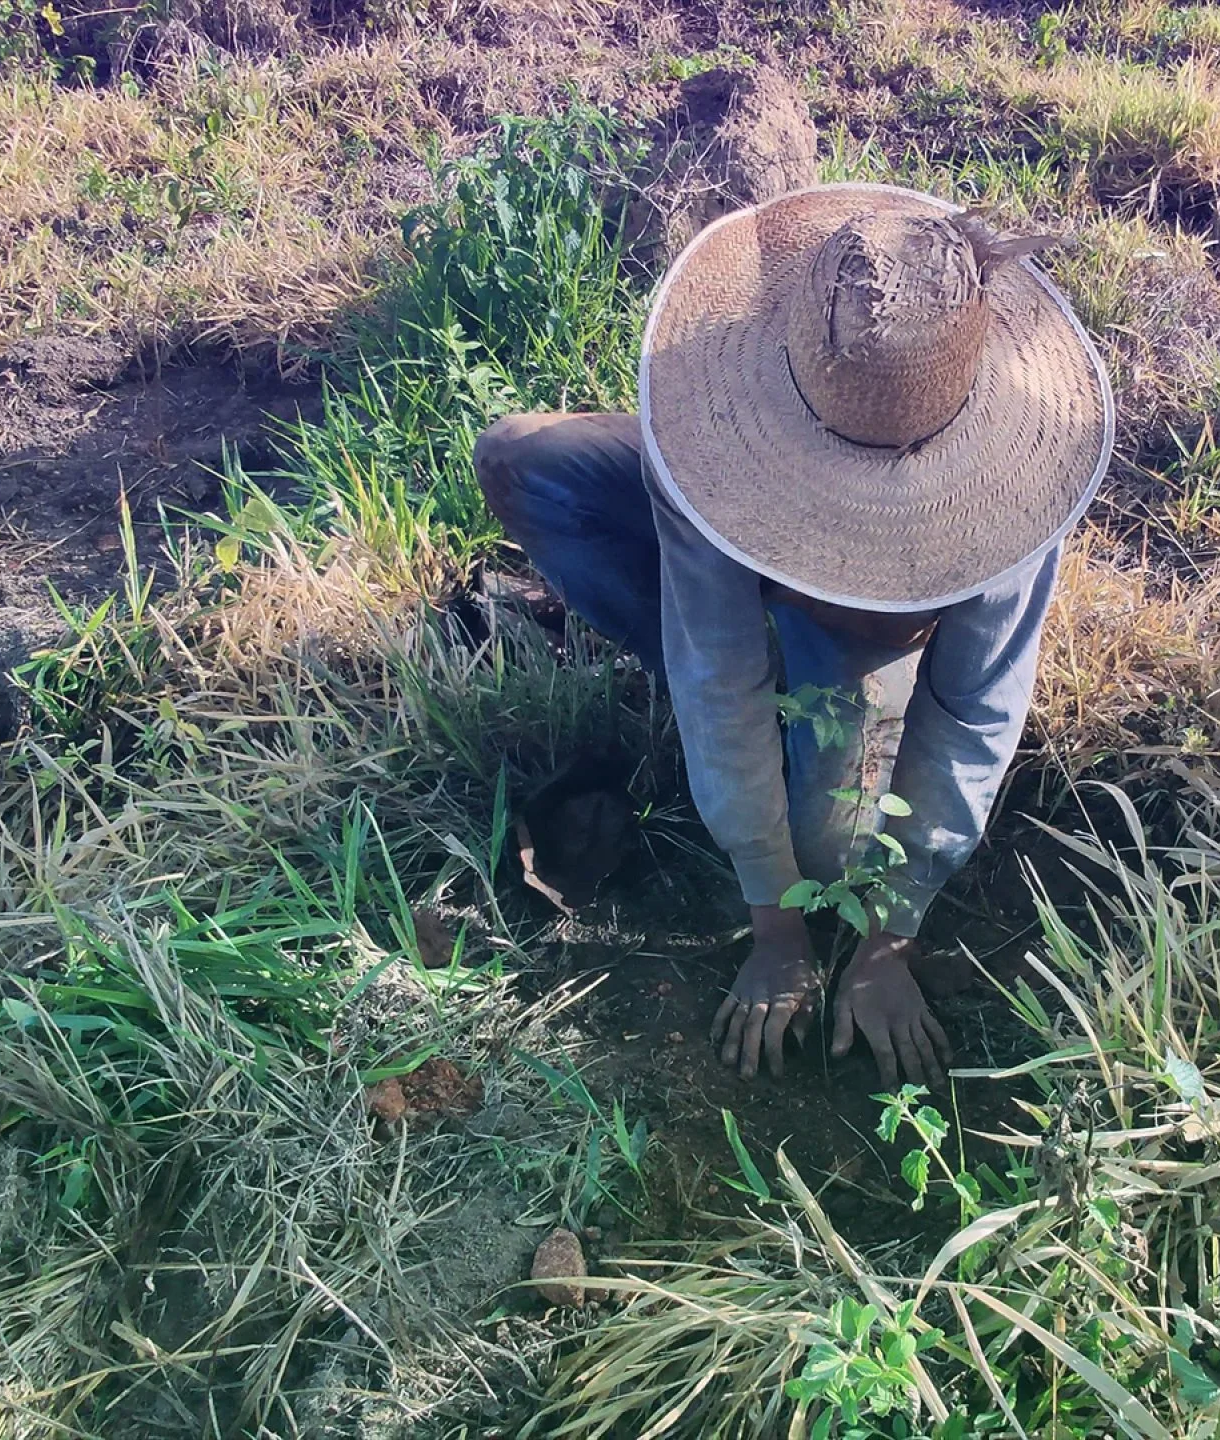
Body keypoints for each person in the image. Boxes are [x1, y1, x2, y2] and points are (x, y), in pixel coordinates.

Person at [473, 183, 1112, 1088]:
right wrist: (775, 926)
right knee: (526, 464)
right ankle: (758, 673)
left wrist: (889, 939)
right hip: (742, 526)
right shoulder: (725, 436)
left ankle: (831, 706)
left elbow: (974, 707)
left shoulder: (1008, 490)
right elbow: (717, 675)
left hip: (862, 638)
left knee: (833, 854)